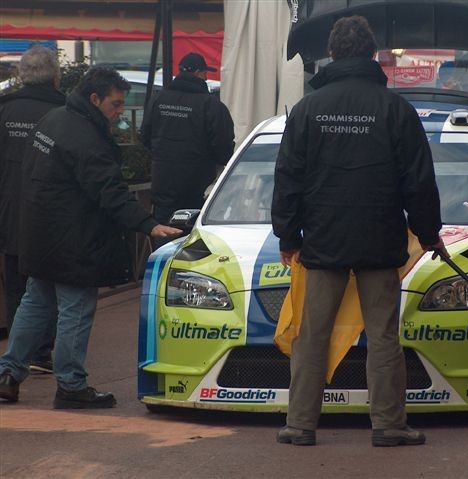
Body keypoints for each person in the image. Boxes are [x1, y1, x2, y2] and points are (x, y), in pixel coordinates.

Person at [271, 16, 447, 447]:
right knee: (384, 334)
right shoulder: (395, 110)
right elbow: (418, 181)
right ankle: (388, 425)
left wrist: (288, 236)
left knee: (313, 333)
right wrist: (428, 234)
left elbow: (288, 177)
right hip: (380, 239)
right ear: (373, 55)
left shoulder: (308, 109)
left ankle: (300, 425)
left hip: (323, 239)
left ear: (332, 54)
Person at [0, 67, 182, 408]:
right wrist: (148, 224)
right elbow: (109, 191)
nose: (118, 113)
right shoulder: (85, 138)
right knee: (75, 310)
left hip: (40, 232)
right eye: (115, 105)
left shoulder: (53, 120)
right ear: (94, 99)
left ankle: (8, 374)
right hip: (74, 239)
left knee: (36, 304)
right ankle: (70, 385)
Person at [0, 45, 65, 374]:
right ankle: (42, 351)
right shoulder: (65, 112)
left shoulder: (4, 109)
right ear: (55, 77)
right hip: (52, 215)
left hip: (11, 212)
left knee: (15, 284)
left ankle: (18, 352)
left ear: (21, 76)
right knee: (49, 282)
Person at [140, 52, 235, 248]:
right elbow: (224, 148)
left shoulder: (159, 99)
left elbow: (145, 136)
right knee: (195, 244)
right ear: (200, 74)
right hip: (198, 187)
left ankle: (161, 275)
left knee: (164, 239)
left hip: (163, 184)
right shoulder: (211, 105)